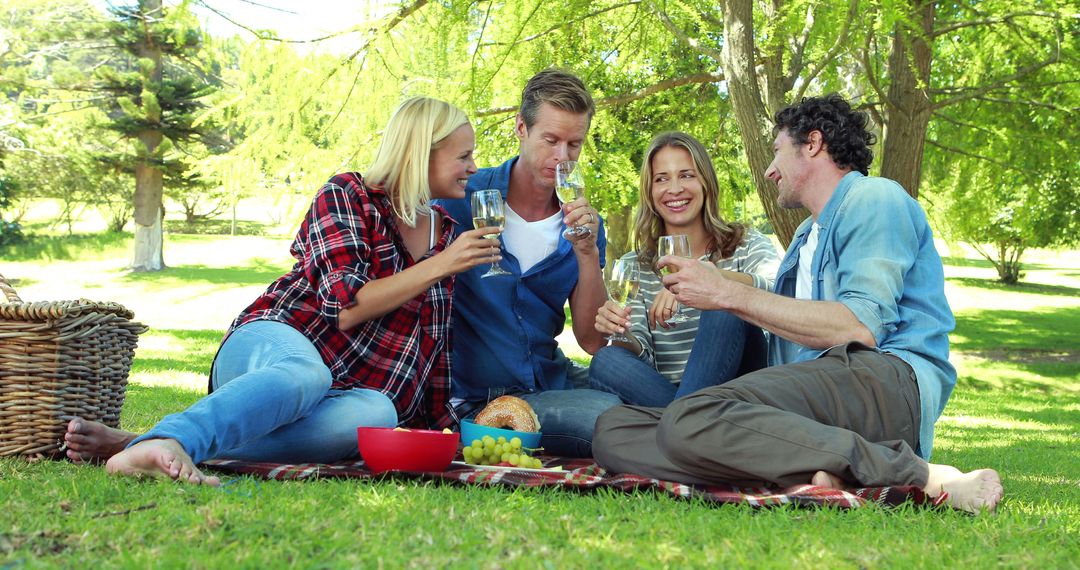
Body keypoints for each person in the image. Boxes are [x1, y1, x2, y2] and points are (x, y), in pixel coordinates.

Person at [592, 94, 1003, 513]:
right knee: (613, 431)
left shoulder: (875, 198)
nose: (770, 170)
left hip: (881, 382)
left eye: (776, 152)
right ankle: (817, 470)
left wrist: (725, 293)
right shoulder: (806, 238)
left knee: (689, 417)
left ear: (812, 144)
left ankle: (921, 474)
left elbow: (858, 326)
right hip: (811, 397)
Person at [62, 97, 503, 485]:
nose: (474, 167)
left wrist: (448, 432)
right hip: (273, 348)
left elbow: (431, 344)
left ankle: (145, 444)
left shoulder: (445, 235)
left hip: (342, 392)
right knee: (307, 374)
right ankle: (168, 439)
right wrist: (441, 266)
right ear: (420, 153)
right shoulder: (349, 194)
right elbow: (345, 307)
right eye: (464, 155)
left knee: (378, 416)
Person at [433, 70, 621, 457]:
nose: (562, 158)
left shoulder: (584, 225)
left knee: (633, 387)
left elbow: (591, 340)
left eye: (575, 144)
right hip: (478, 395)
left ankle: (702, 422)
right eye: (550, 140)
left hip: (551, 380)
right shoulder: (462, 198)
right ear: (521, 128)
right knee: (610, 418)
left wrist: (587, 255)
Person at [589, 131, 780, 406]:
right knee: (606, 360)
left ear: (705, 183)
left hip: (742, 387)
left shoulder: (745, 243)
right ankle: (693, 427)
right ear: (650, 191)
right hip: (667, 393)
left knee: (725, 304)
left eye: (687, 175)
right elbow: (642, 354)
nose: (675, 188)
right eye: (662, 179)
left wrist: (708, 278)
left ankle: (681, 427)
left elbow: (780, 288)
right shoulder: (635, 265)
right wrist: (621, 331)